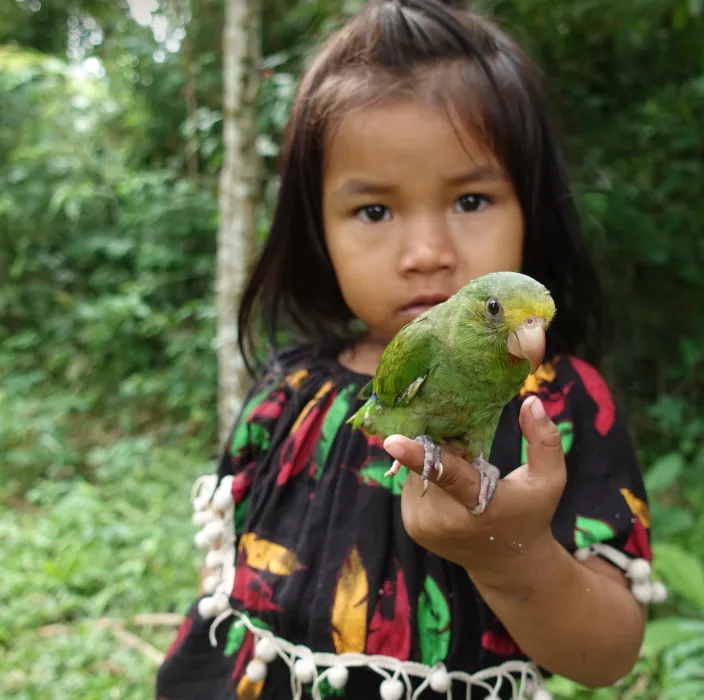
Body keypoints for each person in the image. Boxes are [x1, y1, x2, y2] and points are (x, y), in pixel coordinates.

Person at [156, 1, 664, 698]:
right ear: (317, 231)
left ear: (531, 206)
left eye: (471, 200)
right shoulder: (284, 390)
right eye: (375, 211)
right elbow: (224, 575)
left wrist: (515, 559)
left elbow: (609, 655)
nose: (427, 254)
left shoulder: (560, 406)